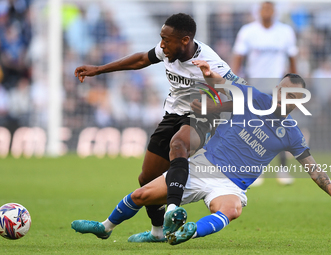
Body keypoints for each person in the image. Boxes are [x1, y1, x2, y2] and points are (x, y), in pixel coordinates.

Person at [71, 60, 331, 245]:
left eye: (291, 95)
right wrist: (208, 72)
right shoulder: (254, 98)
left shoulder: (292, 133)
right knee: (142, 194)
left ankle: (190, 231)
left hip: (231, 185)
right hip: (202, 166)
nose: (283, 96)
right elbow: (224, 82)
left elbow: (312, 168)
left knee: (232, 209)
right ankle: (105, 227)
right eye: (282, 89)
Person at [74, 13, 239, 242]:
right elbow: (141, 59)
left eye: (166, 40)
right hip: (173, 114)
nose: (161, 44)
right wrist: (99, 69)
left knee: (178, 143)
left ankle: (173, 210)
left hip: (202, 117)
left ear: (185, 40)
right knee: (146, 178)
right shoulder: (168, 51)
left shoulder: (212, 62)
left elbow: (243, 97)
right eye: (161, 38)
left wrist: (211, 107)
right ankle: (158, 232)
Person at [232, 1, 298, 185]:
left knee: (281, 128)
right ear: (259, 11)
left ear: (275, 11)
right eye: (264, 8)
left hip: (278, 88)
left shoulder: (285, 32)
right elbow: (238, 58)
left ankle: (282, 170)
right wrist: (233, 83)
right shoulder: (248, 31)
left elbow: (293, 59)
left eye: (270, 8)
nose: (267, 11)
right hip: (255, 87)